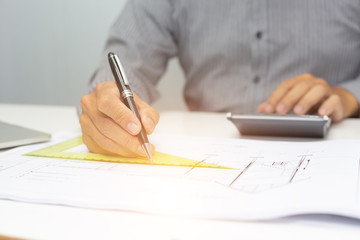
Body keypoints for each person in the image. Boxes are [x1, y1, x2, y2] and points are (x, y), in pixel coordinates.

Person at [80, 0, 360, 158]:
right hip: (208, 151)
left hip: (333, 148)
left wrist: (349, 96)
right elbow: (128, 58)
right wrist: (109, 101)